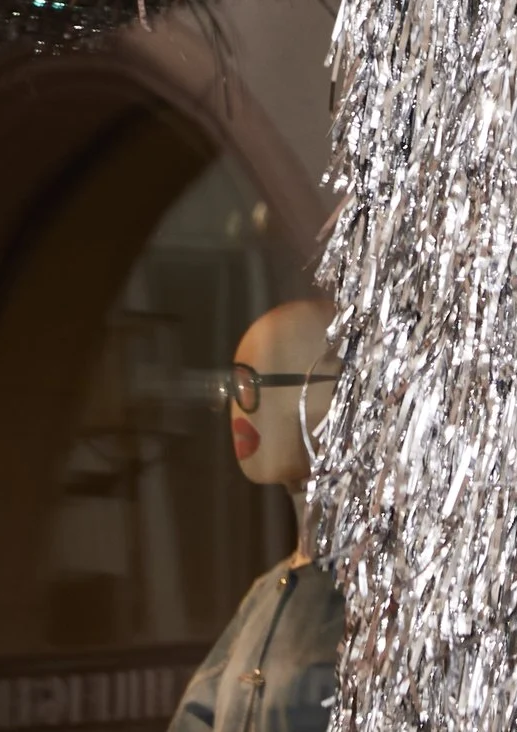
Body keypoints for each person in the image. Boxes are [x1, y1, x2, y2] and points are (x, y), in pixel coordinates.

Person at [167, 301, 343, 732]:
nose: (238, 411)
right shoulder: (264, 596)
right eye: (233, 390)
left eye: (251, 385)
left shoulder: (379, 597)